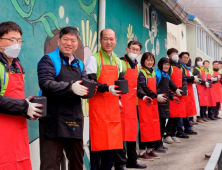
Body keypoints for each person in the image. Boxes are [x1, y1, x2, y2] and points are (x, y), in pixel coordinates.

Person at [37, 27, 88, 170]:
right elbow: (46, 84)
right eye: (65, 39)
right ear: (59, 41)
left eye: (73, 40)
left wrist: (97, 89)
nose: (69, 43)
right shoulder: (48, 60)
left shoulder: (79, 64)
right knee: (50, 163)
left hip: (74, 118)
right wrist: (71, 87)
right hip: (53, 119)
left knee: (77, 162)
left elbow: (85, 85)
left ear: (77, 43)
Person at [0, 21, 43, 169]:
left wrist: (28, 106)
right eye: (12, 40)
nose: (16, 44)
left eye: (19, 41)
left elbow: (14, 99)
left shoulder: (18, 66)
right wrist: (24, 106)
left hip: (18, 130)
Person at [85, 29, 123, 170]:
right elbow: (91, 82)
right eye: (105, 39)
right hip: (98, 109)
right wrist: (108, 88)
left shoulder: (118, 61)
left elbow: (120, 82)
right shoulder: (93, 59)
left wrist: (118, 98)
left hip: (113, 109)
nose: (109, 42)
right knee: (98, 145)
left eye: (111, 39)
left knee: (112, 145)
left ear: (116, 41)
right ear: (100, 40)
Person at [114, 41, 146, 170]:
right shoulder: (121, 63)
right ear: (127, 49)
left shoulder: (137, 66)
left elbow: (138, 86)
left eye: (137, 50)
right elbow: (118, 81)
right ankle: (120, 163)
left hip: (132, 104)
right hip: (121, 104)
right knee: (120, 135)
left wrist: (143, 96)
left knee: (132, 134)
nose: (134, 52)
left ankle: (132, 160)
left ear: (139, 52)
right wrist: (118, 99)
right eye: (132, 49)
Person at [137, 52, 166, 160]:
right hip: (143, 103)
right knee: (145, 127)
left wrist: (160, 94)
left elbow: (156, 86)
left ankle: (150, 149)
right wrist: (155, 95)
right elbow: (143, 88)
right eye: (148, 60)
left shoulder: (152, 73)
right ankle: (141, 151)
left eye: (151, 60)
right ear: (143, 61)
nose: (150, 62)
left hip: (153, 103)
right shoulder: (141, 73)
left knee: (153, 126)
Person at [154, 57, 180, 152]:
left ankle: (160, 143)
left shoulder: (166, 74)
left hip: (165, 102)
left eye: (168, 64)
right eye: (164, 64)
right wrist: (158, 95)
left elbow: (168, 86)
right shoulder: (157, 74)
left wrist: (173, 95)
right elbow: (154, 87)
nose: (166, 66)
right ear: (160, 64)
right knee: (159, 124)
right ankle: (156, 145)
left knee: (163, 123)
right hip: (158, 102)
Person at [163, 48, 186, 144]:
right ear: (169, 56)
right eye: (173, 54)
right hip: (171, 94)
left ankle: (173, 134)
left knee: (178, 115)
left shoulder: (180, 67)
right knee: (172, 115)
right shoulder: (169, 67)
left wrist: (184, 90)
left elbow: (184, 79)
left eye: (176, 53)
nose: (175, 55)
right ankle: (167, 134)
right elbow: (167, 80)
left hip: (180, 94)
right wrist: (174, 90)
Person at [176, 52, 199, 139]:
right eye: (184, 58)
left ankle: (188, 128)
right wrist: (193, 78)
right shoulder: (180, 67)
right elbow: (183, 78)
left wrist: (194, 80)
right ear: (180, 58)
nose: (186, 59)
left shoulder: (186, 67)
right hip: (182, 92)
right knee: (182, 112)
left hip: (188, 91)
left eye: (187, 58)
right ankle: (180, 130)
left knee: (187, 111)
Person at [193, 57, 209, 123]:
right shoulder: (196, 69)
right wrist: (204, 82)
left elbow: (204, 77)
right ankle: (198, 117)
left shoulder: (202, 69)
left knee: (204, 102)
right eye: (198, 60)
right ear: (196, 62)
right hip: (199, 87)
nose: (200, 61)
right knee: (199, 103)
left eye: (201, 60)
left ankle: (203, 116)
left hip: (203, 87)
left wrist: (207, 82)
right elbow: (198, 78)